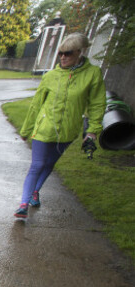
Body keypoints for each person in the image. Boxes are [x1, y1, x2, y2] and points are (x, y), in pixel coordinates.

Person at [14, 33, 106, 219]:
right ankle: (23, 204)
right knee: (37, 164)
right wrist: (26, 129)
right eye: (60, 54)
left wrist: (92, 131)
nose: (63, 57)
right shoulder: (51, 76)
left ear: (80, 53)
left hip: (68, 131)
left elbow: (97, 104)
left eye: (68, 53)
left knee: (49, 164)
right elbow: (36, 104)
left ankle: (35, 192)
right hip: (44, 128)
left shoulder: (92, 74)